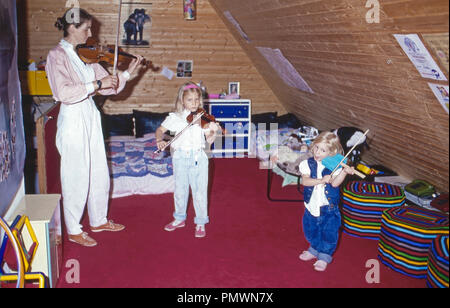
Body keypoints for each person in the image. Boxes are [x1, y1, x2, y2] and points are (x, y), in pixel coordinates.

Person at [45, 8, 143, 247]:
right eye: (86, 28)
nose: (91, 33)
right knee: (75, 174)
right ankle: (74, 229)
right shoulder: (56, 55)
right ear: (71, 28)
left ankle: (99, 219)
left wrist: (127, 74)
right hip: (72, 116)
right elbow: (63, 93)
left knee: (99, 170)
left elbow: (110, 87)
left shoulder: (86, 54)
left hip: (90, 113)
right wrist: (96, 83)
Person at [155, 82, 220, 238]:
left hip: (199, 157)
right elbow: (161, 131)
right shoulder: (175, 118)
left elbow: (209, 141)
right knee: (180, 190)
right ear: (182, 101)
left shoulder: (203, 118)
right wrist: (160, 140)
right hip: (180, 158)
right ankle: (179, 218)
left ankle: (200, 222)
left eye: (197, 100)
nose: (194, 103)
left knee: (200, 191)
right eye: (190, 100)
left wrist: (213, 132)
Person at [298, 131, 355, 271]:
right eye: (316, 147)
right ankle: (314, 249)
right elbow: (305, 181)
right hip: (312, 205)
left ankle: (324, 256)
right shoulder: (307, 163)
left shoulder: (333, 165)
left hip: (328, 207)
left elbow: (335, 184)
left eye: (323, 150)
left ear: (332, 152)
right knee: (311, 230)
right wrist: (321, 180)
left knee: (329, 232)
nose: (317, 152)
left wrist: (343, 172)